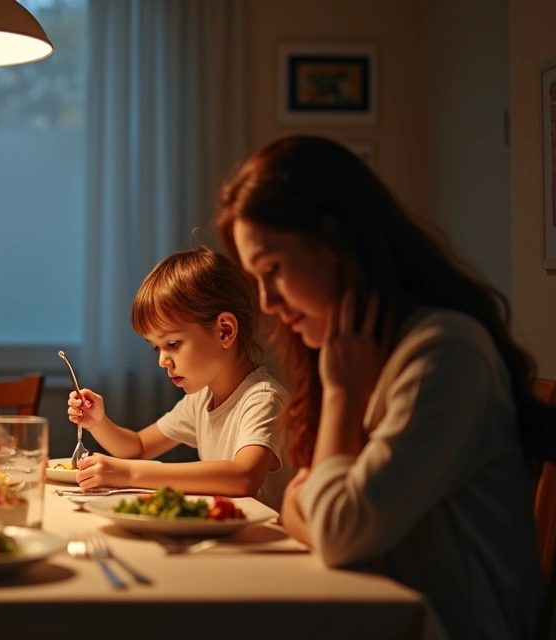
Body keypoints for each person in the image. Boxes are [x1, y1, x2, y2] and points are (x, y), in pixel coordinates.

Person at [218, 134, 547, 639]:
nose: (266, 302)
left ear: (337, 244)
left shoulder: (444, 353)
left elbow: (336, 530)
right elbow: (302, 507)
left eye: (274, 270)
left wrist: (343, 398)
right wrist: (324, 515)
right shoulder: (364, 350)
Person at [67, 247, 292, 510]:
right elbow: (138, 447)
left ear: (224, 331)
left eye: (173, 343)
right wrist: (99, 423)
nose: (162, 360)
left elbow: (243, 477)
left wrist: (130, 473)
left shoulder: (262, 399)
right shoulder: (201, 400)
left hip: (272, 547)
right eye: (156, 347)